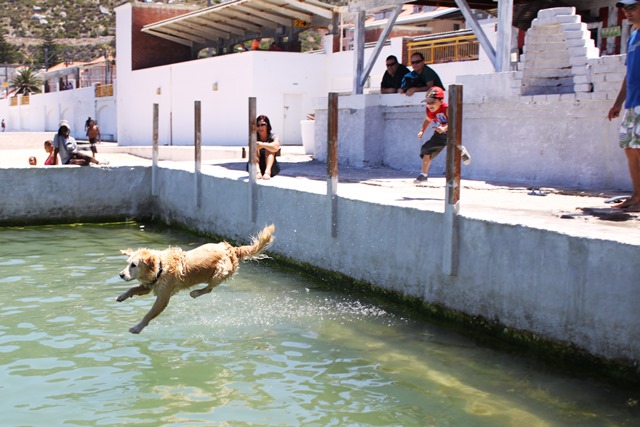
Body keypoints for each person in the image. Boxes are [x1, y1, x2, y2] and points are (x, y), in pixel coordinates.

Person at [609, 0, 640, 212]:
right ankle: (636, 196)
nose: (627, 12)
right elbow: (628, 74)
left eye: (632, 7)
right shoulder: (633, 37)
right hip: (632, 103)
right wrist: (618, 103)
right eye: (624, 9)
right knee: (629, 148)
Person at [414, 87, 470, 184]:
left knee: (453, 149)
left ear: (441, 101)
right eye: (427, 102)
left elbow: (454, 122)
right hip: (439, 134)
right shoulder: (429, 110)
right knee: (426, 149)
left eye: (432, 102)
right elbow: (428, 120)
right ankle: (423, 175)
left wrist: (444, 128)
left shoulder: (446, 108)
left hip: (451, 133)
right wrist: (422, 131)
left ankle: (461, 150)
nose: (429, 105)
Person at [247, 115, 280, 179]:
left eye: (262, 124)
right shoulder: (254, 137)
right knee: (255, 147)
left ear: (267, 125)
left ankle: (267, 172)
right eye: (258, 125)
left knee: (270, 148)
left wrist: (263, 145)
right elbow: (250, 146)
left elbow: (276, 146)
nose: (260, 127)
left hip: (271, 167)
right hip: (255, 167)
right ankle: (257, 172)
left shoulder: (273, 136)